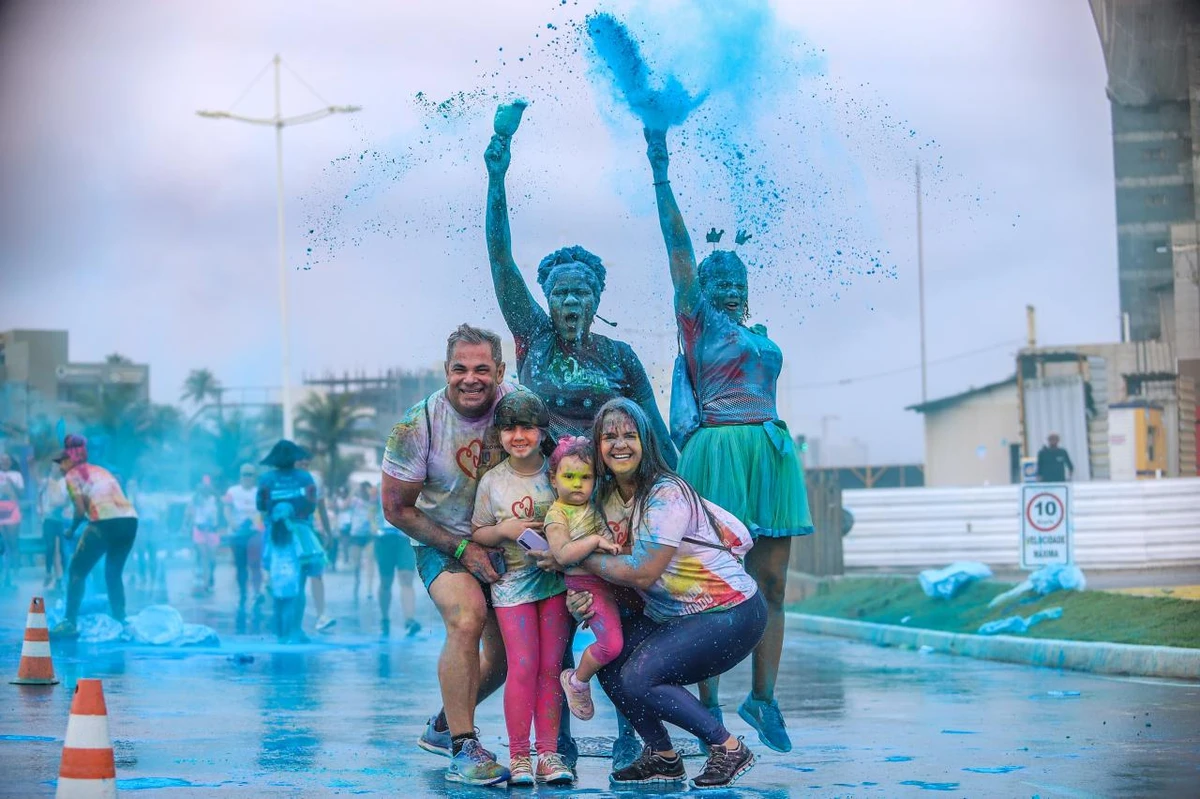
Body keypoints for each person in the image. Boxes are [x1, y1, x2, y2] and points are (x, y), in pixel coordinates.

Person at [643, 128, 813, 753]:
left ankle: (763, 697)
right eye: (719, 280)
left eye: (738, 280)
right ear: (700, 291)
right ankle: (707, 700)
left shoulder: (759, 333)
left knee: (773, 583)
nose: (730, 287)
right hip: (717, 454)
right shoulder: (699, 324)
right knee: (715, 581)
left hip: (771, 455)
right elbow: (679, 250)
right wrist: (661, 171)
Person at [567, 399, 766, 789]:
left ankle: (728, 747)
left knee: (640, 676)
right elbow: (619, 575)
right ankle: (663, 756)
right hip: (675, 616)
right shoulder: (604, 500)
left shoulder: (666, 493)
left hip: (731, 612)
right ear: (597, 445)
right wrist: (583, 598)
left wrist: (578, 558)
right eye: (609, 436)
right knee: (610, 659)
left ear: (647, 442)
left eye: (630, 435)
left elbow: (643, 572)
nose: (619, 444)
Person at [483, 112, 676, 464]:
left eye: (581, 293)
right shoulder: (535, 337)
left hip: (606, 483)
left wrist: (680, 487)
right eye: (560, 294)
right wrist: (496, 177)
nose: (570, 300)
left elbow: (656, 436)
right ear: (547, 301)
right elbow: (501, 260)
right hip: (541, 482)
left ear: (596, 300)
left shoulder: (620, 356)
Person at [381, 323, 512, 787]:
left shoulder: (518, 407)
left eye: (482, 369)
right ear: (446, 370)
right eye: (460, 369)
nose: (470, 379)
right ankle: (463, 748)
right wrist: (461, 547)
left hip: (505, 544)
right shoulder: (417, 424)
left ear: (500, 371)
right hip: (443, 541)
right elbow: (396, 509)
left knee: (505, 660)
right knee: (466, 618)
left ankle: (442, 724)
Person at [469, 390, 573, 786]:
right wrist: (505, 531)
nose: (518, 436)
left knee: (551, 667)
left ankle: (547, 753)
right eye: (509, 428)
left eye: (527, 428)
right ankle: (519, 756)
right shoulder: (493, 482)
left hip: (554, 584)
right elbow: (478, 531)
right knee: (524, 665)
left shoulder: (557, 473)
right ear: (499, 434)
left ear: (542, 431)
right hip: (512, 586)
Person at [545, 436, 631, 722]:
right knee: (611, 645)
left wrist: (610, 544)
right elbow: (563, 554)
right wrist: (596, 541)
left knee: (623, 643)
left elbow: (608, 539)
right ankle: (578, 680)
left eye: (585, 477)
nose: (577, 484)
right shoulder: (557, 515)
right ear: (553, 479)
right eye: (569, 476)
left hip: (607, 580)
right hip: (587, 587)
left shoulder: (590, 508)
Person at [49, 435, 140, 637]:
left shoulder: (72, 476)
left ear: (69, 460)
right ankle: (120, 619)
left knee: (76, 570)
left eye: (61, 462)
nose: (60, 467)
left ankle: (69, 623)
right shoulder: (100, 470)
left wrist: (71, 530)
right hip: (129, 521)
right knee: (113, 573)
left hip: (104, 522)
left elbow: (80, 511)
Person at [257, 440, 327, 642]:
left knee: (278, 581)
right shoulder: (305, 478)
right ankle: (295, 630)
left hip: (275, 537)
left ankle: (280, 632)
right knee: (300, 584)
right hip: (302, 536)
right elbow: (311, 506)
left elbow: (261, 505)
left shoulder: (266, 479)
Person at [297, 456, 336, 630]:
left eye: (307, 463)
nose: (304, 466)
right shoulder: (288, 480)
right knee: (298, 577)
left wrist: (328, 532)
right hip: (293, 534)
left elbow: (322, 507)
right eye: (301, 463)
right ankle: (295, 621)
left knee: (316, 573)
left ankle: (321, 615)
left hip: (310, 533)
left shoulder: (315, 480)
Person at [375, 489, 420, 639]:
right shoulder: (378, 485)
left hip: (405, 537)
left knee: (406, 578)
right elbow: (370, 509)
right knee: (385, 581)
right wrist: (374, 527)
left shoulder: (413, 481)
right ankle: (384, 619)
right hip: (384, 537)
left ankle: (409, 621)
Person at [224, 464, 265, 609]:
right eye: (245, 474)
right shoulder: (232, 491)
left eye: (250, 474)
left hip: (254, 532)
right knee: (240, 566)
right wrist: (232, 523)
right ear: (240, 476)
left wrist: (258, 523)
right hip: (237, 533)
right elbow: (227, 509)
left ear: (254, 477)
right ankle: (243, 593)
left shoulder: (259, 492)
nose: (247, 477)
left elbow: (263, 511)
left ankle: (257, 592)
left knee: (255, 564)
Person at [262, 503, 305, 642]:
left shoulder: (272, 538)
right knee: (289, 606)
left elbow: (266, 556)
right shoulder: (293, 536)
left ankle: (279, 635)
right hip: (291, 574)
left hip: (276, 574)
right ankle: (287, 635)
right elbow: (301, 554)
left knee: (277, 606)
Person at [185, 476, 221, 597]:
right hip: (199, 530)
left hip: (212, 531)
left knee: (212, 558)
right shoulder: (195, 499)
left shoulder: (215, 499)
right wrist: (186, 525)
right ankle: (206, 583)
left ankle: (210, 577)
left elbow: (220, 514)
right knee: (204, 556)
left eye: (207, 487)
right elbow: (189, 513)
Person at [38, 463, 71, 592]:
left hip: (62, 519)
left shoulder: (65, 482)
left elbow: (67, 500)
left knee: (63, 549)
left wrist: (62, 505)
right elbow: (40, 497)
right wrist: (41, 511)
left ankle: (62, 578)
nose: (57, 469)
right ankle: (48, 572)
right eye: (54, 467)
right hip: (49, 519)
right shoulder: (46, 482)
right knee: (50, 547)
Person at [347, 481, 377, 602]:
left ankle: (369, 589)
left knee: (370, 561)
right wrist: (353, 491)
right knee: (356, 564)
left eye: (366, 489)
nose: (365, 491)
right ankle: (356, 583)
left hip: (369, 535)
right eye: (363, 489)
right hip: (356, 535)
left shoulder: (373, 502)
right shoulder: (355, 501)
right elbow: (344, 505)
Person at [0, 452, 25, 589]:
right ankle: (5, 574)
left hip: (11, 509)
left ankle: (15, 574)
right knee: (2, 544)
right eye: (2, 460)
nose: (4, 462)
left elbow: (21, 494)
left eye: (7, 460)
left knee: (13, 543)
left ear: (11, 462)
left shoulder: (16, 475)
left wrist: (11, 483)